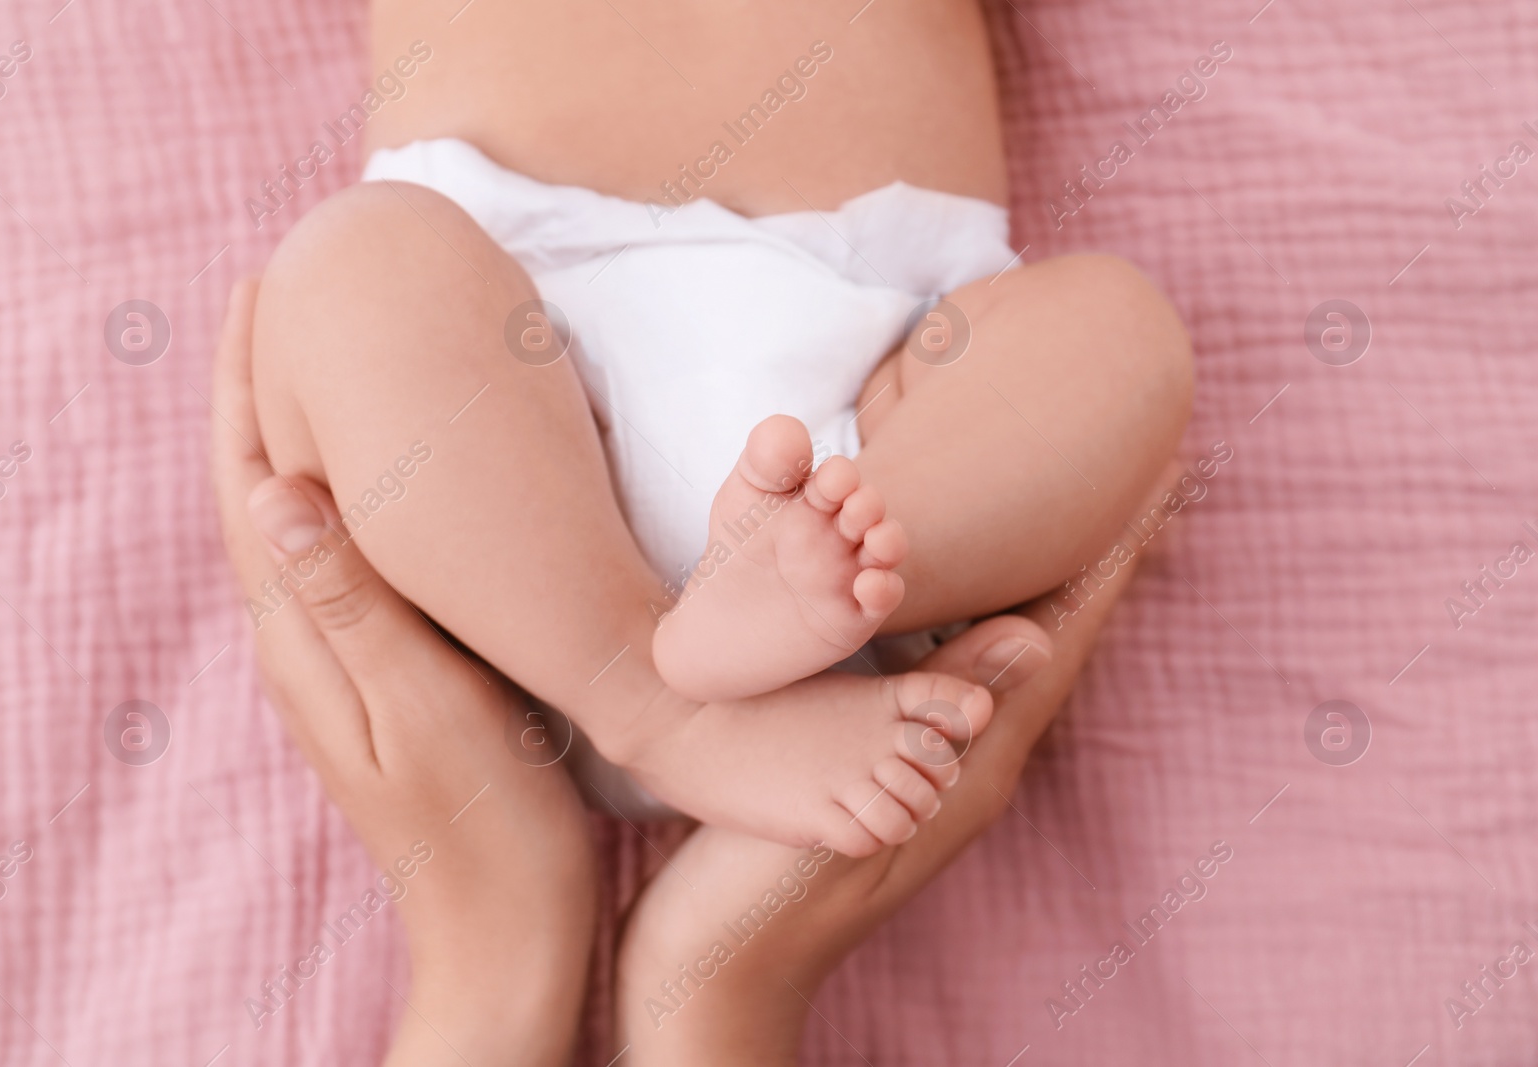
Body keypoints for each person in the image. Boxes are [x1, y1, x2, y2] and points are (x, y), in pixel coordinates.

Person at [244, 0, 1193, 853]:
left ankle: (819, 578)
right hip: (504, 358)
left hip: (887, 402)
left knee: (1118, 331)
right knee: (354, 264)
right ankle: (661, 714)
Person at [213, 279, 1179, 1065]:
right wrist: (721, 996)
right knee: (1117, 330)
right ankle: (683, 708)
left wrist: (488, 967)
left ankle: (651, 699)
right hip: (878, 442)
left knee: (353, 273)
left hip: (511, 508)